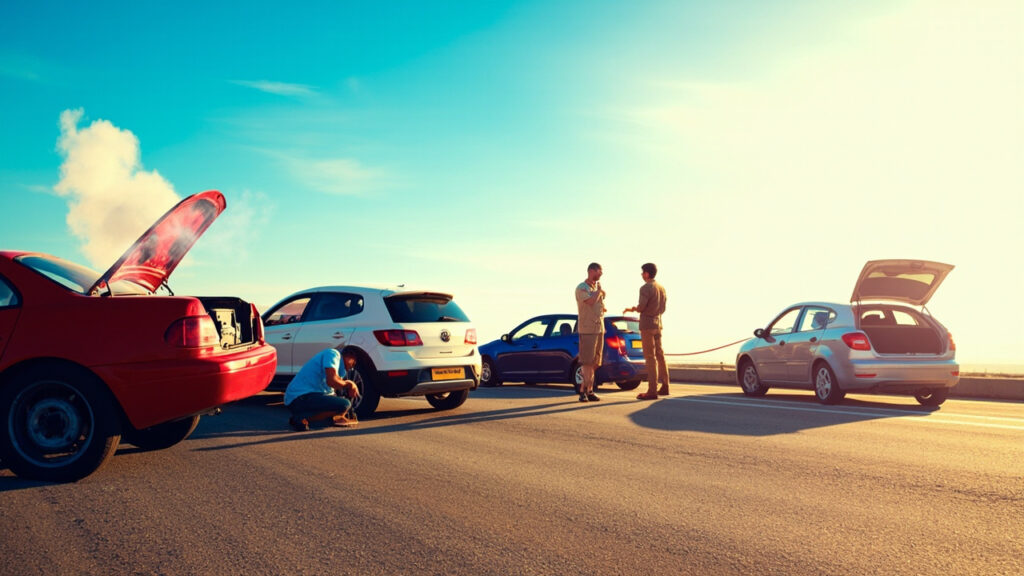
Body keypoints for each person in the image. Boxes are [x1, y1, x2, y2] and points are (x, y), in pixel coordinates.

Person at [284, 348, 361, 431]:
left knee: (340, 405)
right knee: (345, 404)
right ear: (349, 355)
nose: (353, 366)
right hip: (299, 397)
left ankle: (306, 417)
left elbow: (331, 390)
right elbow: (332, 381)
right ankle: (301, 419)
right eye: (354, 362)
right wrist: (349, 384)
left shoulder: (339, 369)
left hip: (304, 398)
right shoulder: (333, 354)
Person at [623, 262, 668, 400]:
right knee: (660, 355)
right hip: (658, 323)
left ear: (647, 273)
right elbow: (663, 308)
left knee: (650, 357)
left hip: (647, 325)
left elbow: (642, 307)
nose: (642, 275)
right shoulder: (661, 288)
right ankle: (665, 386)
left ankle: (652, 390)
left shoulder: (645, 288)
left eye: (642, 272)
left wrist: (633, 308)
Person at [575, 262, 606, 402]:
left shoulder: (595, 288)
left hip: (599, 329)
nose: (601, 274)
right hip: (587, 329)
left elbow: (599, 308)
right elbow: (590, 302)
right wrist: (599, 293)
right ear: (592, 271)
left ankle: (586, 389)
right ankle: (586, 391)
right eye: (600, 271)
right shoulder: (582, 288)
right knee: (587, 362)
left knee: (595, 362)